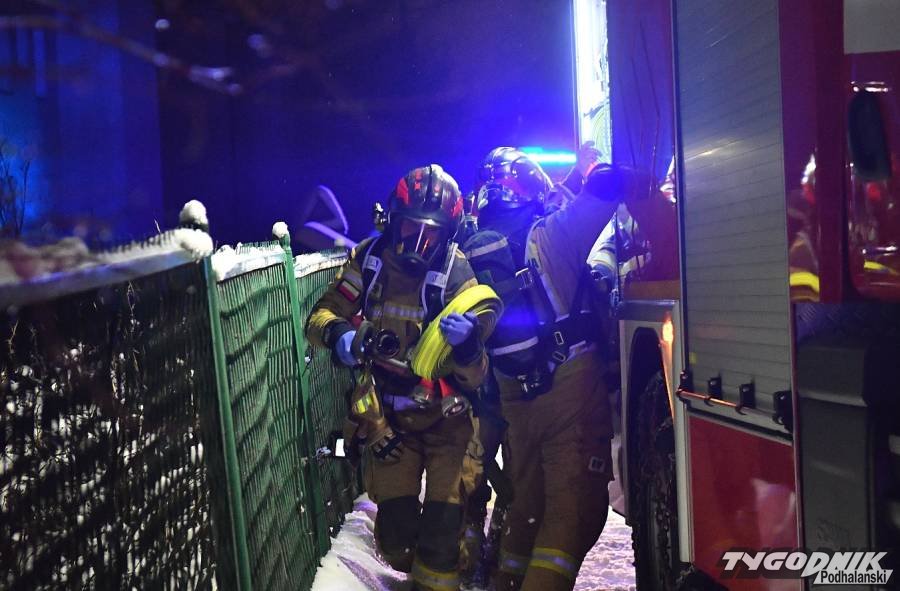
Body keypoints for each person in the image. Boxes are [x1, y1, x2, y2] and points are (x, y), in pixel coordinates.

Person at [305, 164, 491, 591]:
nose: (419, 242)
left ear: (449, 232)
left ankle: (455, 553)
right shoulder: (370, 260)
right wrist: (341, 336)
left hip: (448, 422)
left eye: (432, 232)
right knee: (396, 542)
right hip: (389, 423)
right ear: (393, 220)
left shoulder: (457, 273)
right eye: (410, 227)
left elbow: (477, 377)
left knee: (440, 537)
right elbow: (321, 315)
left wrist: (467, 346)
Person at [462, 150, 627, 591]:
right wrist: (612, 169)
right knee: (571, 516)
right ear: (533, 188)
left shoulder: (471, 252)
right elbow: (606, 190)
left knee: (528, 508)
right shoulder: (552, 235)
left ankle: (507, 582)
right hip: (568, 391)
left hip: (512, 397)